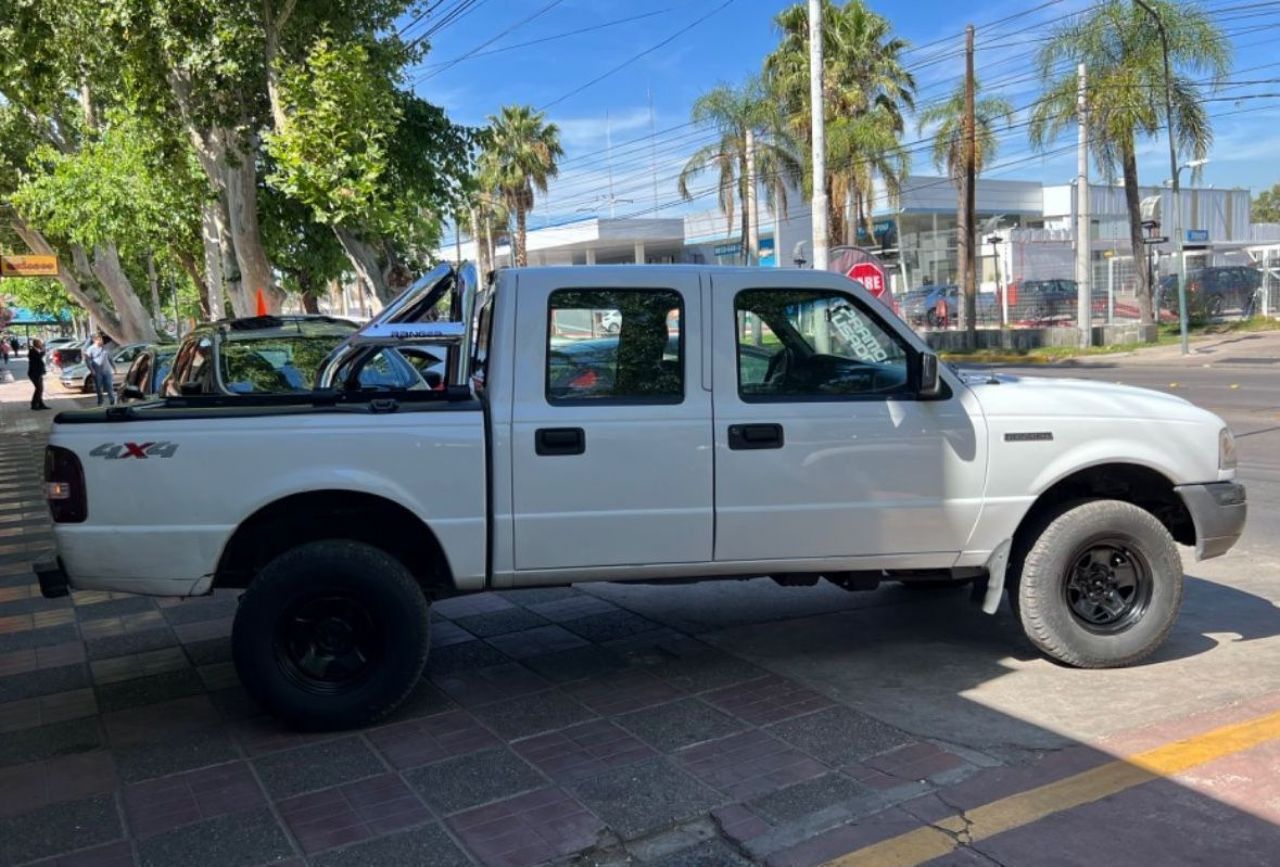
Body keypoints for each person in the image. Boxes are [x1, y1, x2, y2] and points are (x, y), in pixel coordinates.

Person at [85, 332, 116, 406]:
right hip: (97, 372)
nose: (101, 341)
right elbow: (87, 361)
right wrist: (91, 370)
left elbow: (110, 358)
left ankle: (112, 401)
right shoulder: (90, 349)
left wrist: (114, 367)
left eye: (101, 339)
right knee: (99, 388)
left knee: (110, 387)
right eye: (99, 339)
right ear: (95, 341)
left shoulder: (105, 348)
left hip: (107, 371)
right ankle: (100, 402)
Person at [28, 339, 49, 410]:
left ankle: (40, 404)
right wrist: (43, 351)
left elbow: (39, 359)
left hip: (38, 373)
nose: (41, 344)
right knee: (39, 389)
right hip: (34, 373)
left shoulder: (37, 350)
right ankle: (34, 404)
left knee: (40, 389)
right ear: (36, 344)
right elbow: (38, 358)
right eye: (40, 343)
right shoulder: (32, 351)